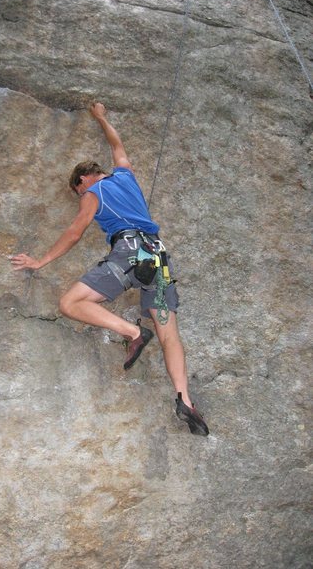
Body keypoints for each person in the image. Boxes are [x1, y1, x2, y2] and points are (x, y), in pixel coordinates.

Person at [11, 102, 209, 436]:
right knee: (169, 333)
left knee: (70, 303)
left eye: (78, 190)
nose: (80, 196)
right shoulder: (125, 175)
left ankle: (133, 333)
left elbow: (75, 232)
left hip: (129, 252)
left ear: (84, 179)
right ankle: (185, 399)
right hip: (157, 257)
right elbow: (118, 147)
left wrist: (41, 260)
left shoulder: (93, 191)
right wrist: (101, 117)